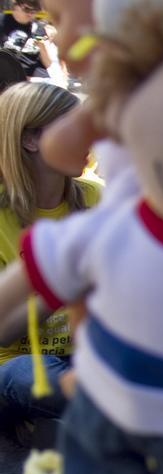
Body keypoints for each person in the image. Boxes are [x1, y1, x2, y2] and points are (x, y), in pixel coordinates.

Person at [0, 82, 99, 434]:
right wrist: (63, 282)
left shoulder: (96, 197)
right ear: (30, 140)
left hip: (87, 353)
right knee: (25, 372)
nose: (89, 139)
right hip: (15, 366)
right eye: (73, 127)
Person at [1, 0, 51, 78]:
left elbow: (48, 64)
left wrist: (42, 46)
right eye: (27, 9)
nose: (30, 14)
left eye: (34, 11)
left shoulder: (39, 28)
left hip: (32, 76)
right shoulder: (2, 22)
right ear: (15, 6)